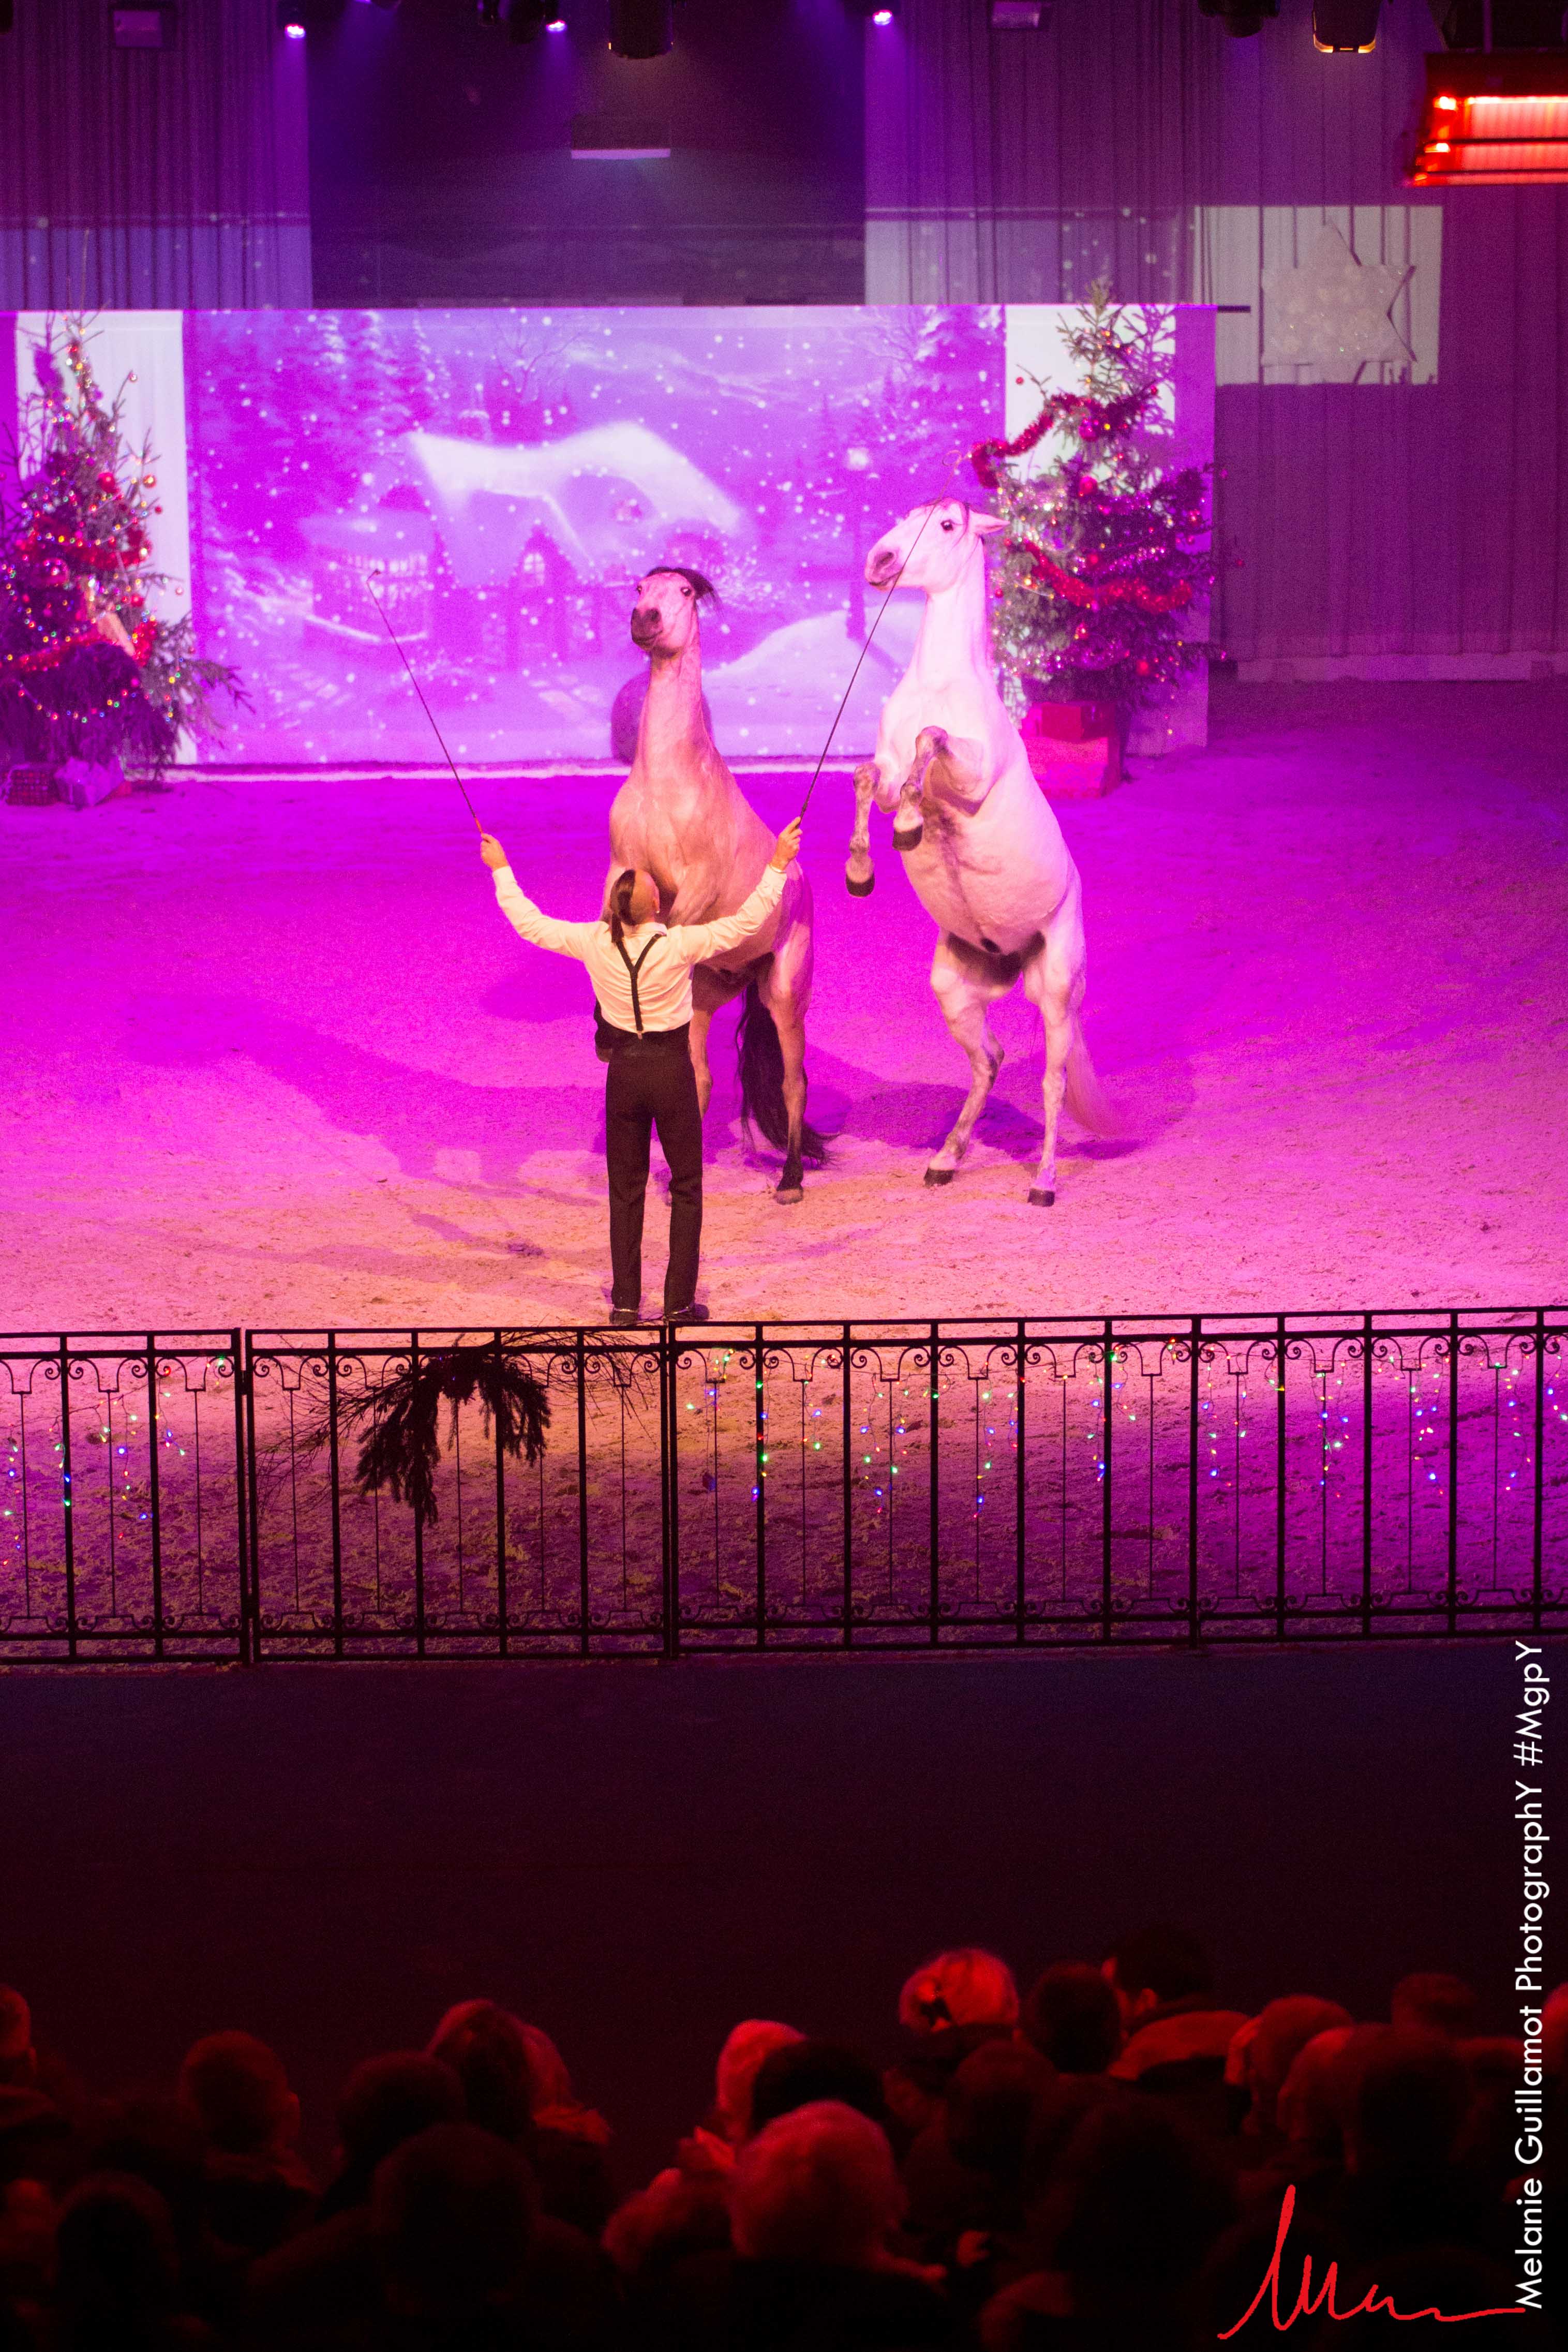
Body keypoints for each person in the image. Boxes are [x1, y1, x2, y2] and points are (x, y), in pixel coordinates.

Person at [481, 816, 802, 1326]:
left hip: (625, 1075)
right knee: (687, 1185)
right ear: (655, 905)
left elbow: (531, 924)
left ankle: (626, 1304)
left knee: (625, 1189)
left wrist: (501, 869)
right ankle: (678, 1303)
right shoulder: (678, 944)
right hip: (671, 1071)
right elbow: (745, 924)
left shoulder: (593, 941)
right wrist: (778, 863)